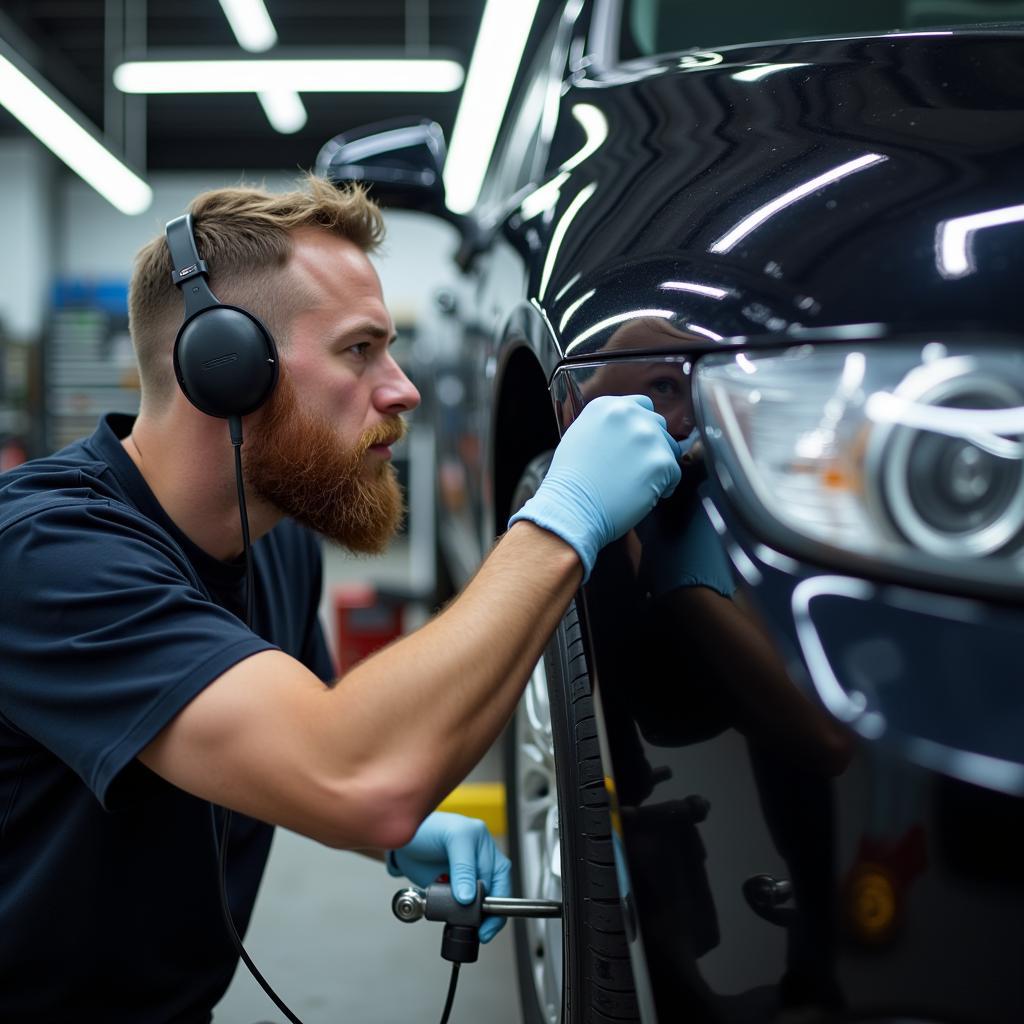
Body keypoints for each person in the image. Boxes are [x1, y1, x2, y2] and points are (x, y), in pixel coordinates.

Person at [0, 175, 681, 1022]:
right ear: (226, 371)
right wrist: (561, 523)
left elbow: (310, 738)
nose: (403, 390)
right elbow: (352, 769)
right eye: (360, 350)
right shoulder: (43, 554)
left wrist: (392, 833)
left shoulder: (273, 540)